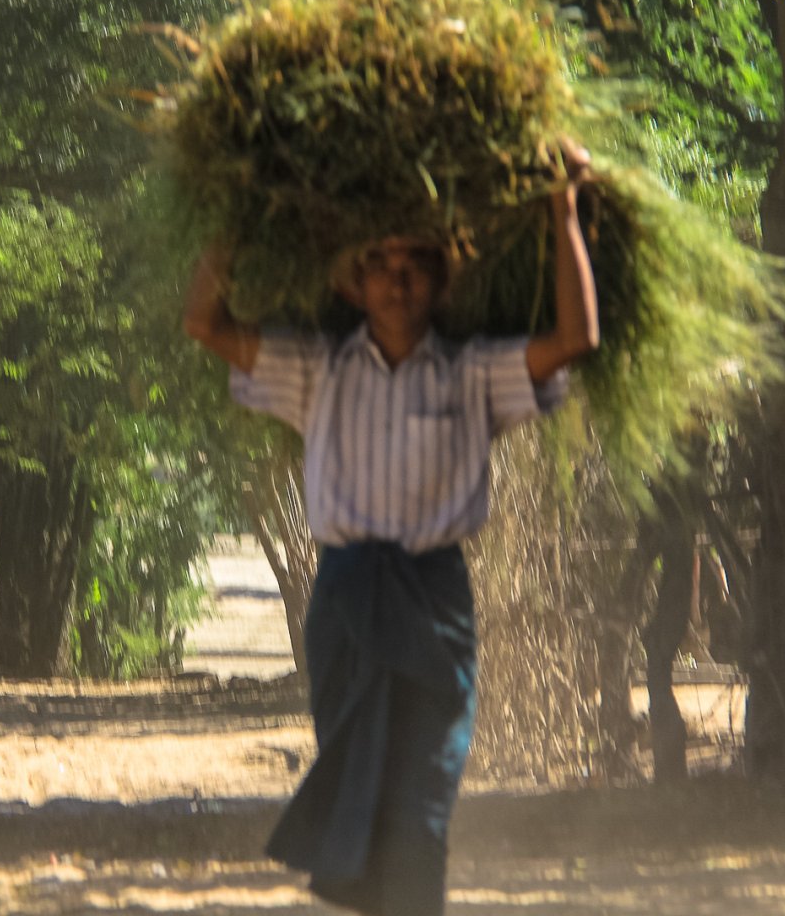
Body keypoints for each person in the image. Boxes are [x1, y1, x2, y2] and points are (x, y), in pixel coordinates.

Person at [183, 144, 599, 916]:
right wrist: (236, 211)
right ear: (354, 282)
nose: (397, 278)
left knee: (425, 803)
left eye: (415, 264)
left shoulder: (475, 374)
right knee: (360, 804)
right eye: (379, 263)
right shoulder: (315, 370)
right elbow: (203, 322)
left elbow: (575, 341)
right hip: (345, 604)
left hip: (434, 605)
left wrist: (563, 209)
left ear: (441, 283)